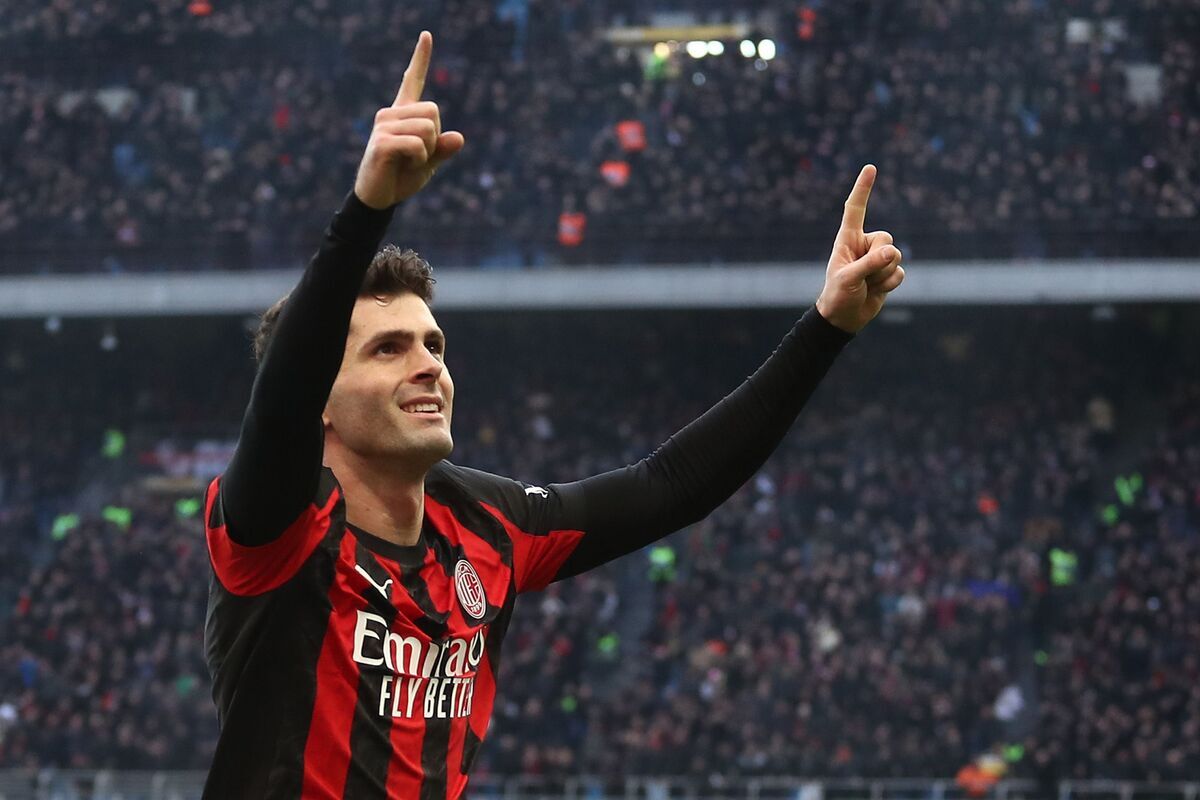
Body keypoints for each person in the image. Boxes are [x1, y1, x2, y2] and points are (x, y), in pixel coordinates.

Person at [201, 31, 905, 800]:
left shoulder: (487, 528)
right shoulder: (279, 526)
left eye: (433, 344)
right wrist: (368, 209)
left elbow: (672, 484)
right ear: (323, 406)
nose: (429, 362)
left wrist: (826, 327)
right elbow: (281, 398)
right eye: (388, 350)